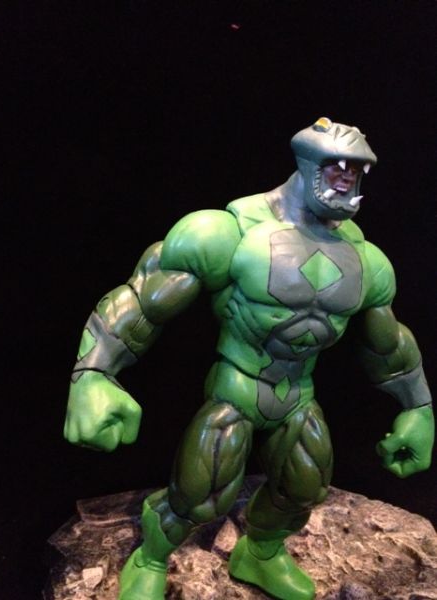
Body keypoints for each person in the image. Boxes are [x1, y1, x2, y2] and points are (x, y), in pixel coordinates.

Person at [64, 117, 434, 600]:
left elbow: (389, 346)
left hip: (298, 393)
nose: (345, 178)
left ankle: (259, 553)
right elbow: (141, 301)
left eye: (355, 171)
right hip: (236, 387)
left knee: (305, 488)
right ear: (307, 164)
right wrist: (93, 373)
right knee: (201, 494)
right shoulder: (226, 232)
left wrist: (418, 407)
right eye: (336, 168)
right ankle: (150, 557)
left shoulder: (368, 261)